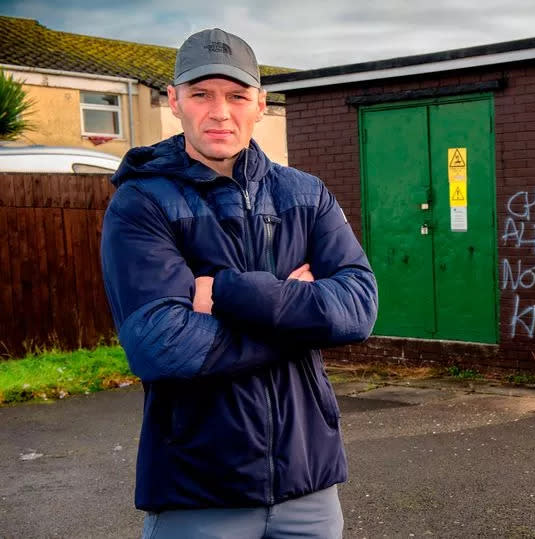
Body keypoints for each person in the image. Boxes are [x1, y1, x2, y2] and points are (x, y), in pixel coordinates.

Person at [100, 28, 377, 538]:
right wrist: (299, 316)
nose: (220, 112)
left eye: (237, 95)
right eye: (201, 94)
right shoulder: (142, 203)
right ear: (175, 101)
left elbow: (358, 307)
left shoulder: (305, 193)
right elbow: (161, 345)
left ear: (260, 104)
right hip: (198, 489)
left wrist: (228, 293)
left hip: (308, 485)